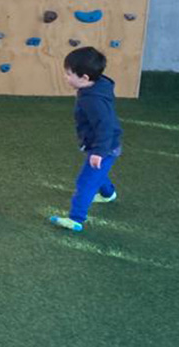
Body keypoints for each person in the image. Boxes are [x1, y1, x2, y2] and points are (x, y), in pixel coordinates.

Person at [49, 47, 123, 232]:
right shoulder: (96, 86)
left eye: (69, 74)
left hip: (104, 147)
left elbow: (105, 126)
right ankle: (108, 194)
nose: (65, 77)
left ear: (84, 78)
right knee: (98, 173)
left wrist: (99, 152)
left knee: (86, 182)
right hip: (102, 144)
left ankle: (76, 219)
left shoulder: (93, 100)